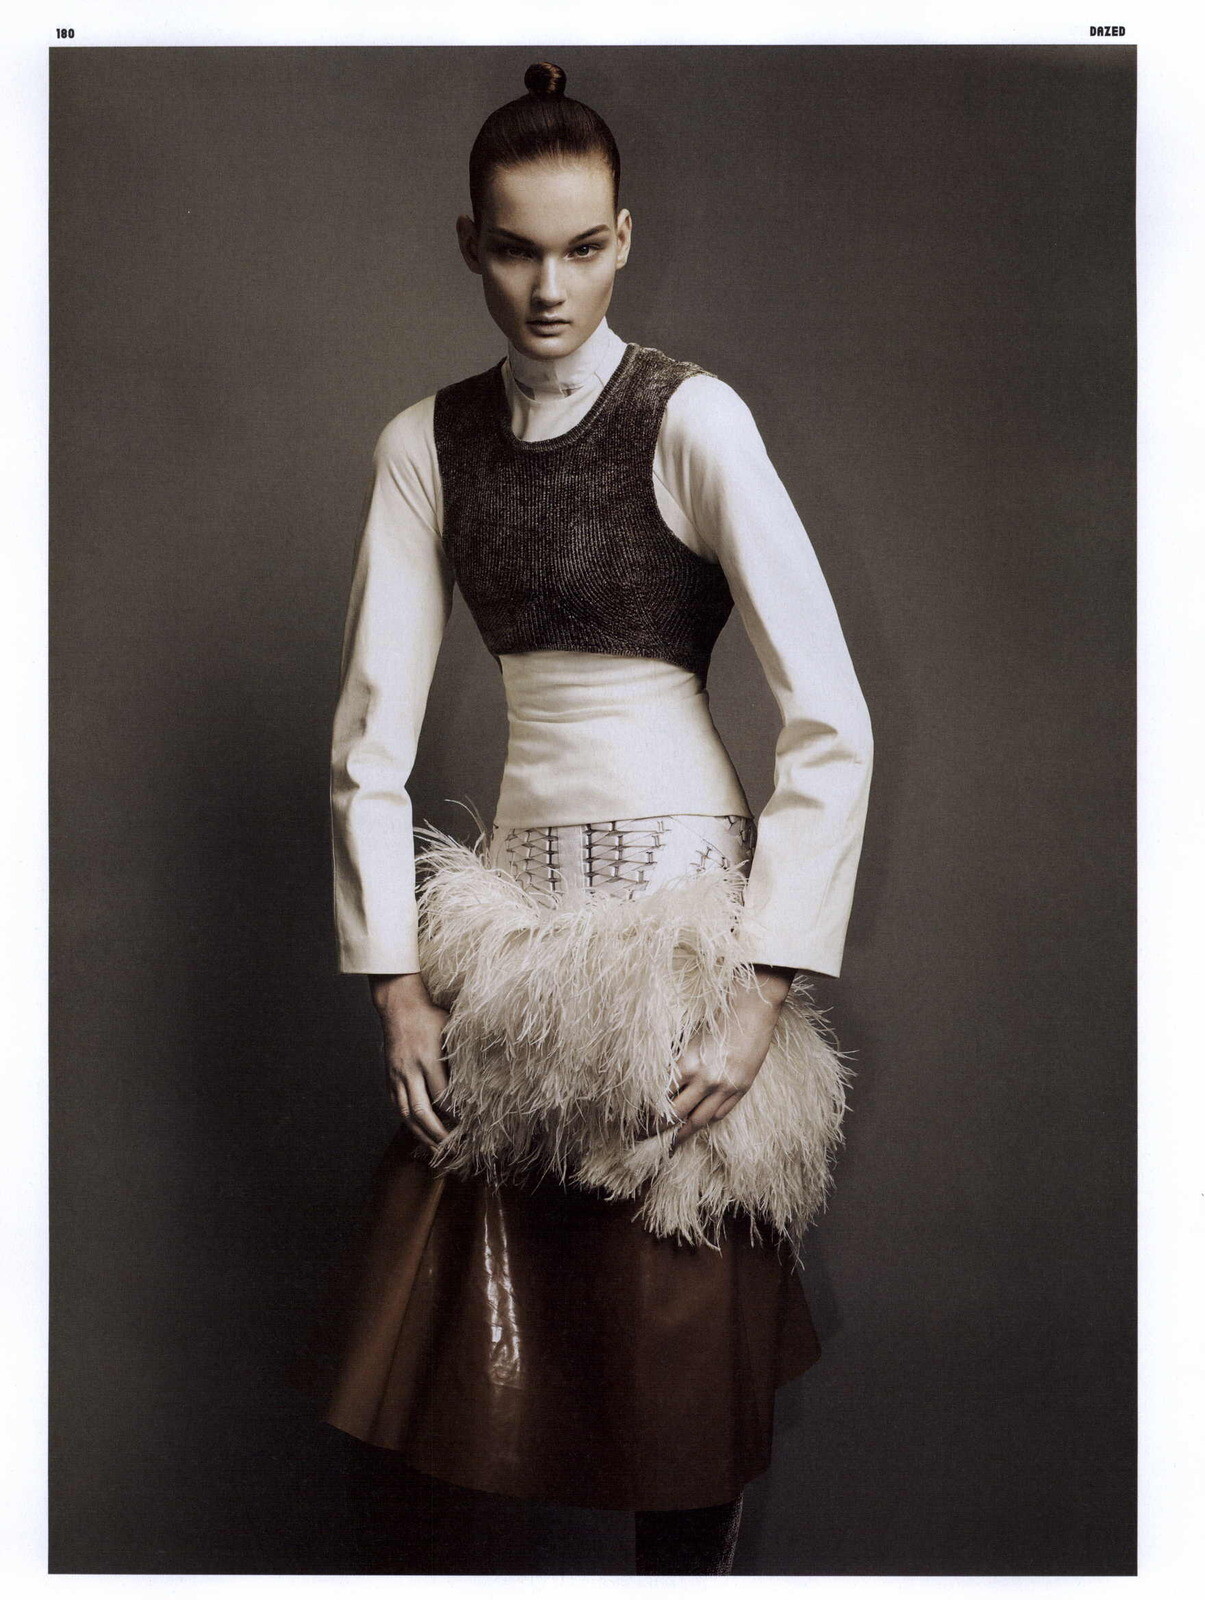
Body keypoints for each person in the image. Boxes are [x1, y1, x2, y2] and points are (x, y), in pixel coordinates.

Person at [288, 61, 873, 1576]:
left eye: (579, 248)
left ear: (622, 240)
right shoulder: (424, 444)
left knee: (681, 1354)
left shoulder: (693, 417)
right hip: (512, 945)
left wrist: (762, 991)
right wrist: (396, 985)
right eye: (513, 250)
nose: (548, 289)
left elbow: (830, 718)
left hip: (683, 941)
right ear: (468, 245)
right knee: (461, 1366)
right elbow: (369, 738)